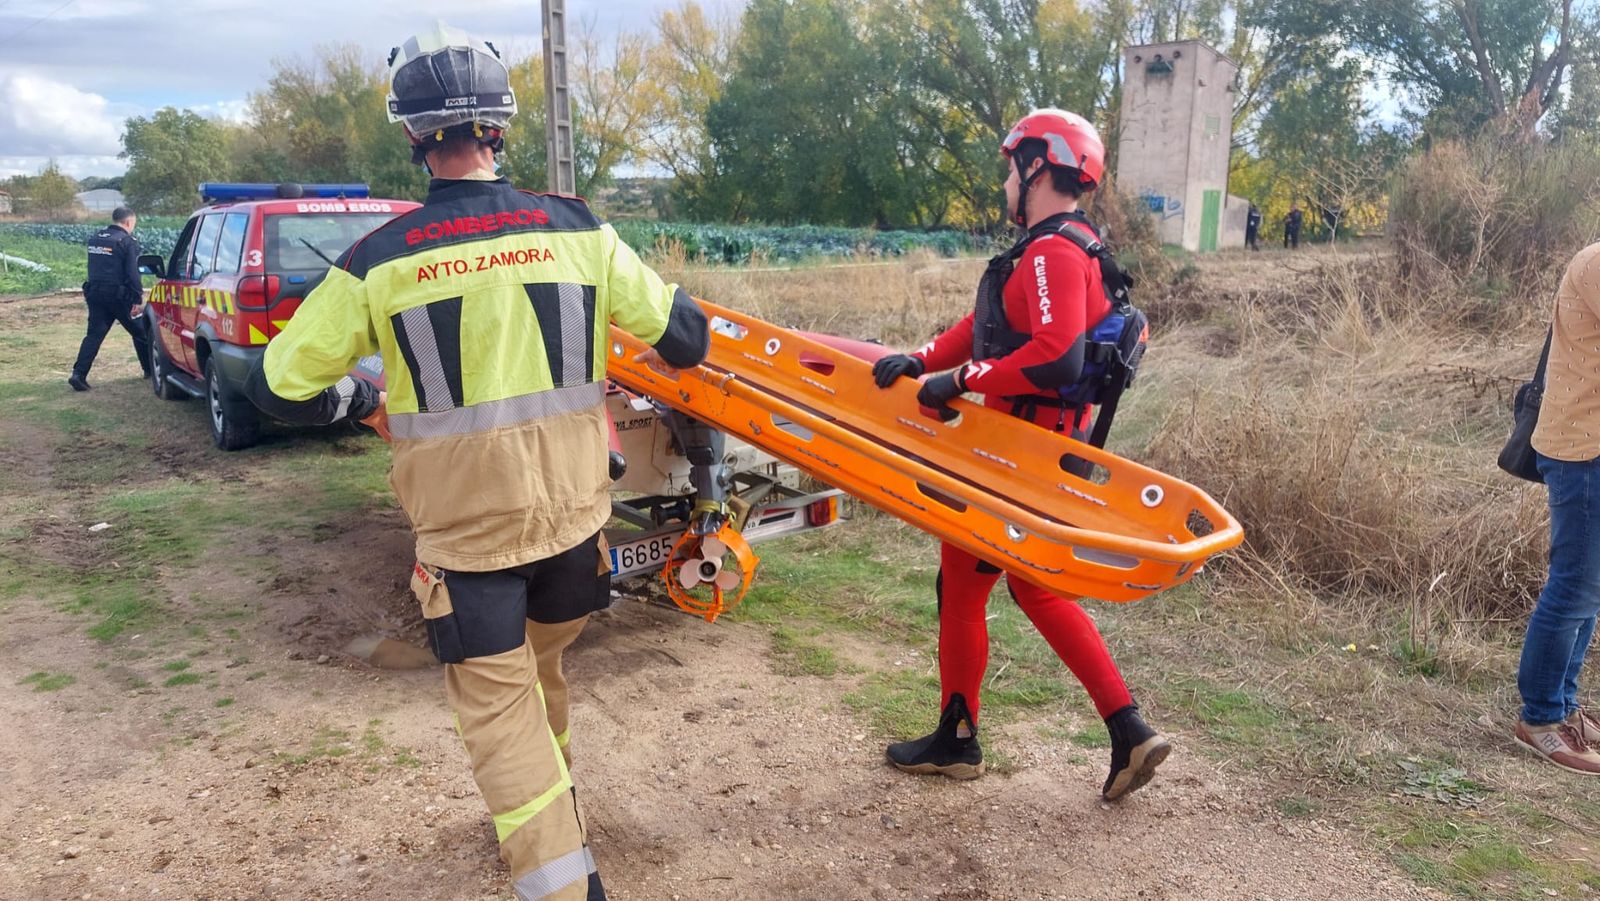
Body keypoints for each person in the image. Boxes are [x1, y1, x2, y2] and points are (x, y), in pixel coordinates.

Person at [246, 23, 709, 899]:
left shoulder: (378, 260)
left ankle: (566, 881)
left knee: (500, 708)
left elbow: (277, 382)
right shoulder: (581, 230)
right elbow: (686, 339)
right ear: (499, 127)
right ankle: (556, 805)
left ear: (415, 136)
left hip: (468, 544)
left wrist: (359, 397)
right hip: (578, 526)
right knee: (542, 670)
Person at [870, 109, 1169, 801]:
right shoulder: (1064, 248)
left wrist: (960, 381)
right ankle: (1126, 730)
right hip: (1033, 450)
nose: (1007, 181)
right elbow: (987, 327)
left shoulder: (1053, 252)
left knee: (977, 581)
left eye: (1012, 168)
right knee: (1022, 583)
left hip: (1013, 454)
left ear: (1039, 167)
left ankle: (960, 737)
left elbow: (1054, 356)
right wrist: (919, 358)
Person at [1516, 240, 1600, 775]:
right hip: (1583, 448)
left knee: (1590, 589)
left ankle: (1564, 706)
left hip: (1588, 445)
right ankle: (1541, 719)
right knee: (1573, 587)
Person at [70, 207, 151, 391]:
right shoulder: (126, 241)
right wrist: (137, 297)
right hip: (119, 297)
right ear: (128, 222)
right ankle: (150, 370)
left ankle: (78, 374)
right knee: (141, 333)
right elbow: (132, 273)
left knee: (94, 335)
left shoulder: (96, 238)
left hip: (95, 294)